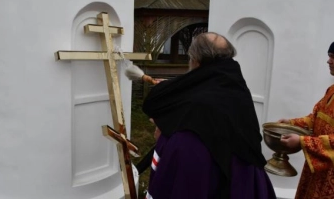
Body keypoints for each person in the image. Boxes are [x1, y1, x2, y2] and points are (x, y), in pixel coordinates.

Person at [142, 32, 276, 199]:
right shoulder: (234, 84)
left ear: (195, 60)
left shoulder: (198, 100)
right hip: (241, 176)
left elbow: (191, 106)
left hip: (198, 173)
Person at [279, 42, 334, 199]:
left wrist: (303, 142)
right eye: (329, 56)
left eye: (333, 57)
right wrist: (291, 123)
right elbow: (315, 118)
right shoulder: (331, 90)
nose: (328, 61)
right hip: (319, 170)